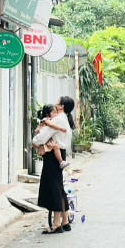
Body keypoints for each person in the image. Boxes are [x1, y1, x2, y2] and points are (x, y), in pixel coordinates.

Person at [33, 96, 75, 234]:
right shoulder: (65, 119)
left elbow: (40, 138)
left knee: (54, 188)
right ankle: (65, 220)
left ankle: (56, 224)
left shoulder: (58, 119)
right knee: (59, 187)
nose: (56, 103)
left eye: (58, 101)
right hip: (60, 154)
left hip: (52, 156)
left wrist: (35, 140)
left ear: (62, 106)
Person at [34, 105, 70, 169]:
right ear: (47, 114)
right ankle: (61, 161)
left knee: (55, 146)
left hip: (47, 139)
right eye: (54, 113)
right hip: (46, 139)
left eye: (56, 112)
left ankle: (61, 162)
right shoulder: (46, 119)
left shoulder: (50, 119)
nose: (56, 114)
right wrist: (60, 128)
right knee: (55, 146)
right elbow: (51, 125)